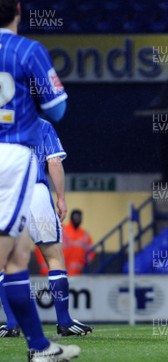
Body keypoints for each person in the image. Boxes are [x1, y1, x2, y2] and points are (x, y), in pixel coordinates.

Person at [0, 0, 80, 359]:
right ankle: (58, 326)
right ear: (17, 9)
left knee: (16, 257)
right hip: (16, 163)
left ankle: (37, 345)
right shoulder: (27, 51)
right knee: (28, 255)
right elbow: (58, 109)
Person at [1, 120, 93, 338]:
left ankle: (12, 323)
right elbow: (54, 162)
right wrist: (61, 198)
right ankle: (64, 321)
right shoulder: (41, 125)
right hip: (36, 193)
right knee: (53, 256)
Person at [62, 210, 94, 276]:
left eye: (79, 217)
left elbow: (91, 249)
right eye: (76, 217)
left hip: (78, 272)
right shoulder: (63, 230)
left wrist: (85, 261)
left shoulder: (84, 234)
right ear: (71, 218)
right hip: (62, 269)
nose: (78, 219)